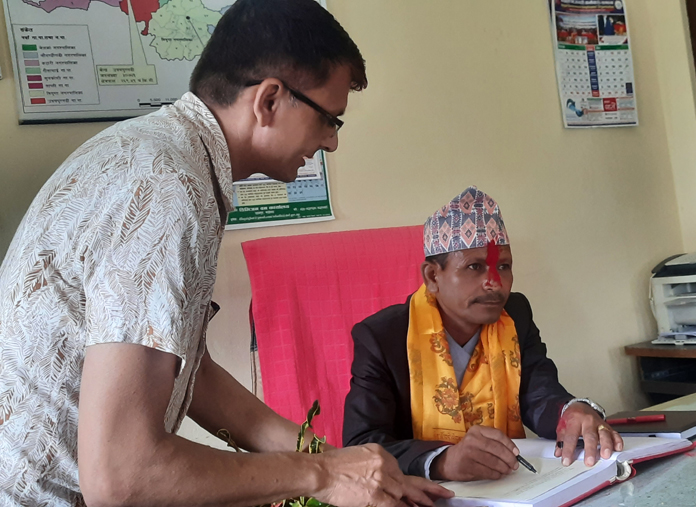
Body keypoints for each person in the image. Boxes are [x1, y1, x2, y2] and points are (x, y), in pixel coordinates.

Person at [0, 0, 451, 505]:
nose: (331, 143)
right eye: (329, 120)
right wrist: (321, 475)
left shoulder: (156, 153)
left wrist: (333, 462)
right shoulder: (167, 187)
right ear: (269, 101)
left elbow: (191, 371)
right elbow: (121, 477)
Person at [343, 186, 623, 482]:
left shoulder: (514, 315)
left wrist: (570, 411)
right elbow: (362, 444)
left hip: (509, 485)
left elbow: (537, 393)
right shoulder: (382, 337)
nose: (494, 283)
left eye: (503, 266)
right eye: (474, 267)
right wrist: (441, 461)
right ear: (433, 276)